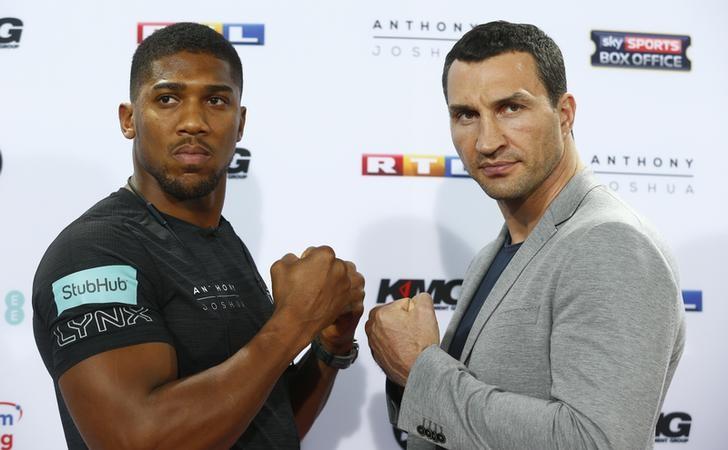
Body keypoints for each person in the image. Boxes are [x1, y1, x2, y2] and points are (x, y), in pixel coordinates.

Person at [32, 22, 364, 450]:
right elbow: (135, 440)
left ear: (240, 123)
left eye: (216, 100)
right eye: (167, 99)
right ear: (129, 119)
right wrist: (294, 322)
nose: (193, 122)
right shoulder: (94, 252)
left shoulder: (219, 240)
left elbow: (264, 426)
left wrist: (327, 348)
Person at [366, 21, 686, 449]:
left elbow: (596, 443)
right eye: (466, 115)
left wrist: (420, 371)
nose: (486, 141)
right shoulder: (493, 254)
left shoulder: (609, 243)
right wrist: (409, 380)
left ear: (565, 113)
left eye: (510, 108)